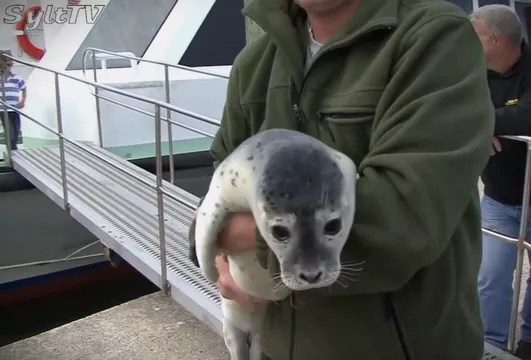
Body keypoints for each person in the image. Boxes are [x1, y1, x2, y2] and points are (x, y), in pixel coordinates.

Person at [188, 0, 494, 359]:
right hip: (275, 344)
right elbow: (220, 183)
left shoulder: (434, 37)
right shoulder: (255, 63)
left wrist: (239, 235)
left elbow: (405, 216)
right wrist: (211, 250)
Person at [471, 5, 531, 359]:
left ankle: (529, 341)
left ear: (494, 39)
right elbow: (451, 107)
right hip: (497, 197)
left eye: (474, 37)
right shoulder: (471, 70)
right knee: (490, 277)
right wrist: (485, 124)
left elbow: (528, 114)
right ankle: (492, 346)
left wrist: (486, 122)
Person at [0, 50, 26, 150]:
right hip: (3, 109)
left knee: (16, 129)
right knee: (9, 130)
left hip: (14, 108)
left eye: (11, 64)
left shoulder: (16, 78)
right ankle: (12, 149)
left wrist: (23, 100)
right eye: (7, 64)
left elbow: (24, 88)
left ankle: (13, 147)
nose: (9, 66)